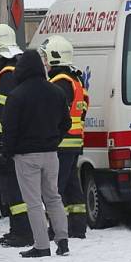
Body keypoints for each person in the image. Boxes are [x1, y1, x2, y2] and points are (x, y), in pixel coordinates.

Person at [1, 49, 71, 258]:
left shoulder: (16, 96)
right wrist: (54, 140)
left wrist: (8, 152)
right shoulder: (56, 92)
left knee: (33, 202)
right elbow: (66, 122)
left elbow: (9, 129)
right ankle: (63, 240)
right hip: (51, 154)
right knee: (53, 197)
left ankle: (42, 245)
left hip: (26, 156)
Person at [0, 24, 32, 247]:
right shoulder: (20, 69)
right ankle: (18, 229)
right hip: (19, 141)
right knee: (17, 188)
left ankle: (21, 232)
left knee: (14, 189)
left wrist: (2, 142)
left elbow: (6, 112)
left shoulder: (7, 74)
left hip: (9, 144)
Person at [40, 35, 90, 239]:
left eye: (45, 57)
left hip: (61, 143)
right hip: (74, 142)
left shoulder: (59, 83)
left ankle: (55, 228)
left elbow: (53, 113)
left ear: (54, 57)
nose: (44, 62)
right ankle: (77, 227)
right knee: (72, 187)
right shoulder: (75, 80)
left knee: (54, 189)